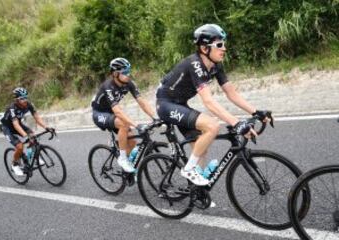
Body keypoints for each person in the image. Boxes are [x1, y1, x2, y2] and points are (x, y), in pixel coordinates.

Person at [156, 24, 270, 186]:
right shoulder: (195, 64)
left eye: (224, 44)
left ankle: (196, 190)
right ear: (204, 48)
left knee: (200, 147)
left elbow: (231, 93)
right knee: (212, 126)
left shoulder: (216, 65)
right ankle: (188, 170)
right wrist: (236, 123)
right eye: (219, 45)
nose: (224, 48)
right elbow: (208, 101)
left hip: (180, 104)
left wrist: (256, 111)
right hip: (166, 105)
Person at [91, 57, 157, 173]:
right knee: (124, 125)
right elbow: (118, 112)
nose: (128, 74)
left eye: (129, 71)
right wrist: (136, 125)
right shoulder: (108, 87)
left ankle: (126, 168)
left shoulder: (129, 83)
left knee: (132, 142)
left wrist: (155, 116)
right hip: (99, 113)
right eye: (125, 72)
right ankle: (122, 158)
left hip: (111, 112)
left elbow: (141, 101)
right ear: (115, 74)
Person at [1, 87, 54, 176]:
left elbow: (37, 117)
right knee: (20, 146)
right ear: (16, 100)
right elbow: (16, 125)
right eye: (22, 99)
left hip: (18, 124)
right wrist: (25, 135)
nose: (25, 100)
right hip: (8, 127)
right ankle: (15, 165)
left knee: (32, 136)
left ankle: (33, 157)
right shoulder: (12, 108)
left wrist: (46, 127)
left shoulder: (29, 104)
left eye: (26, 97)